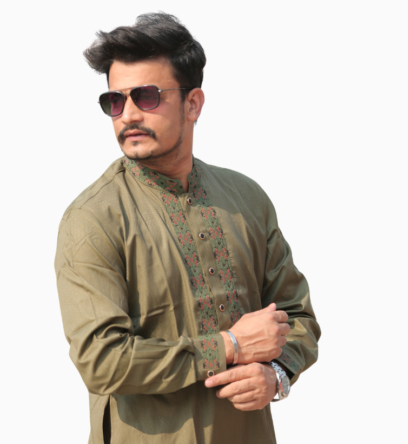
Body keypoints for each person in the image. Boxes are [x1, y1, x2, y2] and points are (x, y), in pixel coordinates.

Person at [55, 12, 321, 444]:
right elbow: (101, 361)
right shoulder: (93, 218)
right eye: (115, 101)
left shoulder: (245, 199)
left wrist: (276, 373)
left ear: (193, 103)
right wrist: (229, 346)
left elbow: (296, 315)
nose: (128, 115)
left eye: (146, 96)